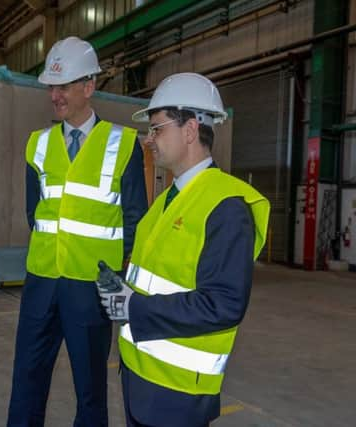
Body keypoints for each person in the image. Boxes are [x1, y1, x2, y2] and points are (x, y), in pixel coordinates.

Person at [95, 72, 270, 427]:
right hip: (140, 380)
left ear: (190, 130)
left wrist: (134, 306)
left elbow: (223, 305)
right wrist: (122, 288)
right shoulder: (168, 202)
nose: (149, 139)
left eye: (157, 128)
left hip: (176, 396)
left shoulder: (226, 207)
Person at [7, 36, 148, 427]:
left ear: (89, 87)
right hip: (40, 280)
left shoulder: (123, 144)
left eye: (63, 86)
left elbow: (136, 217)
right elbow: (33, 212)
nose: (55, 95)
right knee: (26, 380)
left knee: (90, 389)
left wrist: (119, 277)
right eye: (51, 86)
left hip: (91, 284)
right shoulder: (38, 144)